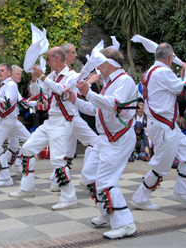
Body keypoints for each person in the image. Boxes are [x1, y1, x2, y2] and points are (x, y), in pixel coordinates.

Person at [66, 48, 137, 239]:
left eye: (99, 63)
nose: (97, 68)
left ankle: (125, 223)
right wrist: (76, 100)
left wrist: (88, 93)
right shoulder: (109, 83)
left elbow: (113, 104)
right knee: (89, 175)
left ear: (109, 64)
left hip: (118, 138)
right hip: (104, 138)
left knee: (106, 181)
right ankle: (107, 211)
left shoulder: (124, 81)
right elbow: (96, 109)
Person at [8, 46, 79, 211]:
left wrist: (44, 77)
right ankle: (27, 188)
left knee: (57, 160)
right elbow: (39, 94)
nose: (46, 62)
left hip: (62, 122)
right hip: (50, 121)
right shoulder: (52, 76)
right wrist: (34, 79)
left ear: (56, 58)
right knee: (27, 148)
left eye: (47, 59)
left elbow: (63, 91)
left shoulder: (71, 76)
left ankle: (69, 198)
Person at [132, 43, 186, 211]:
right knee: (161, 166)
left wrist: (181, 75)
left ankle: (181, 192)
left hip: (166, 125)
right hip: (163, 125)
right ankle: (141, 198)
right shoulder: (163, 72)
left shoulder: (150, 72)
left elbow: (174, 88)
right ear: (170, 57)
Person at [49, 43, 98, 192]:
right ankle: (88, 178)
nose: (76, 55)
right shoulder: (57, 75)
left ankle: (57, 181)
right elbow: (69, 90)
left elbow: (73, 87)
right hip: (68, 116)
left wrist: (88, 80)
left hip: (69, 115)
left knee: (68, 151)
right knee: (94, 142)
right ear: (64, 55)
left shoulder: (64, 73)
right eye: (73, 52)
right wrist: (91, 80)